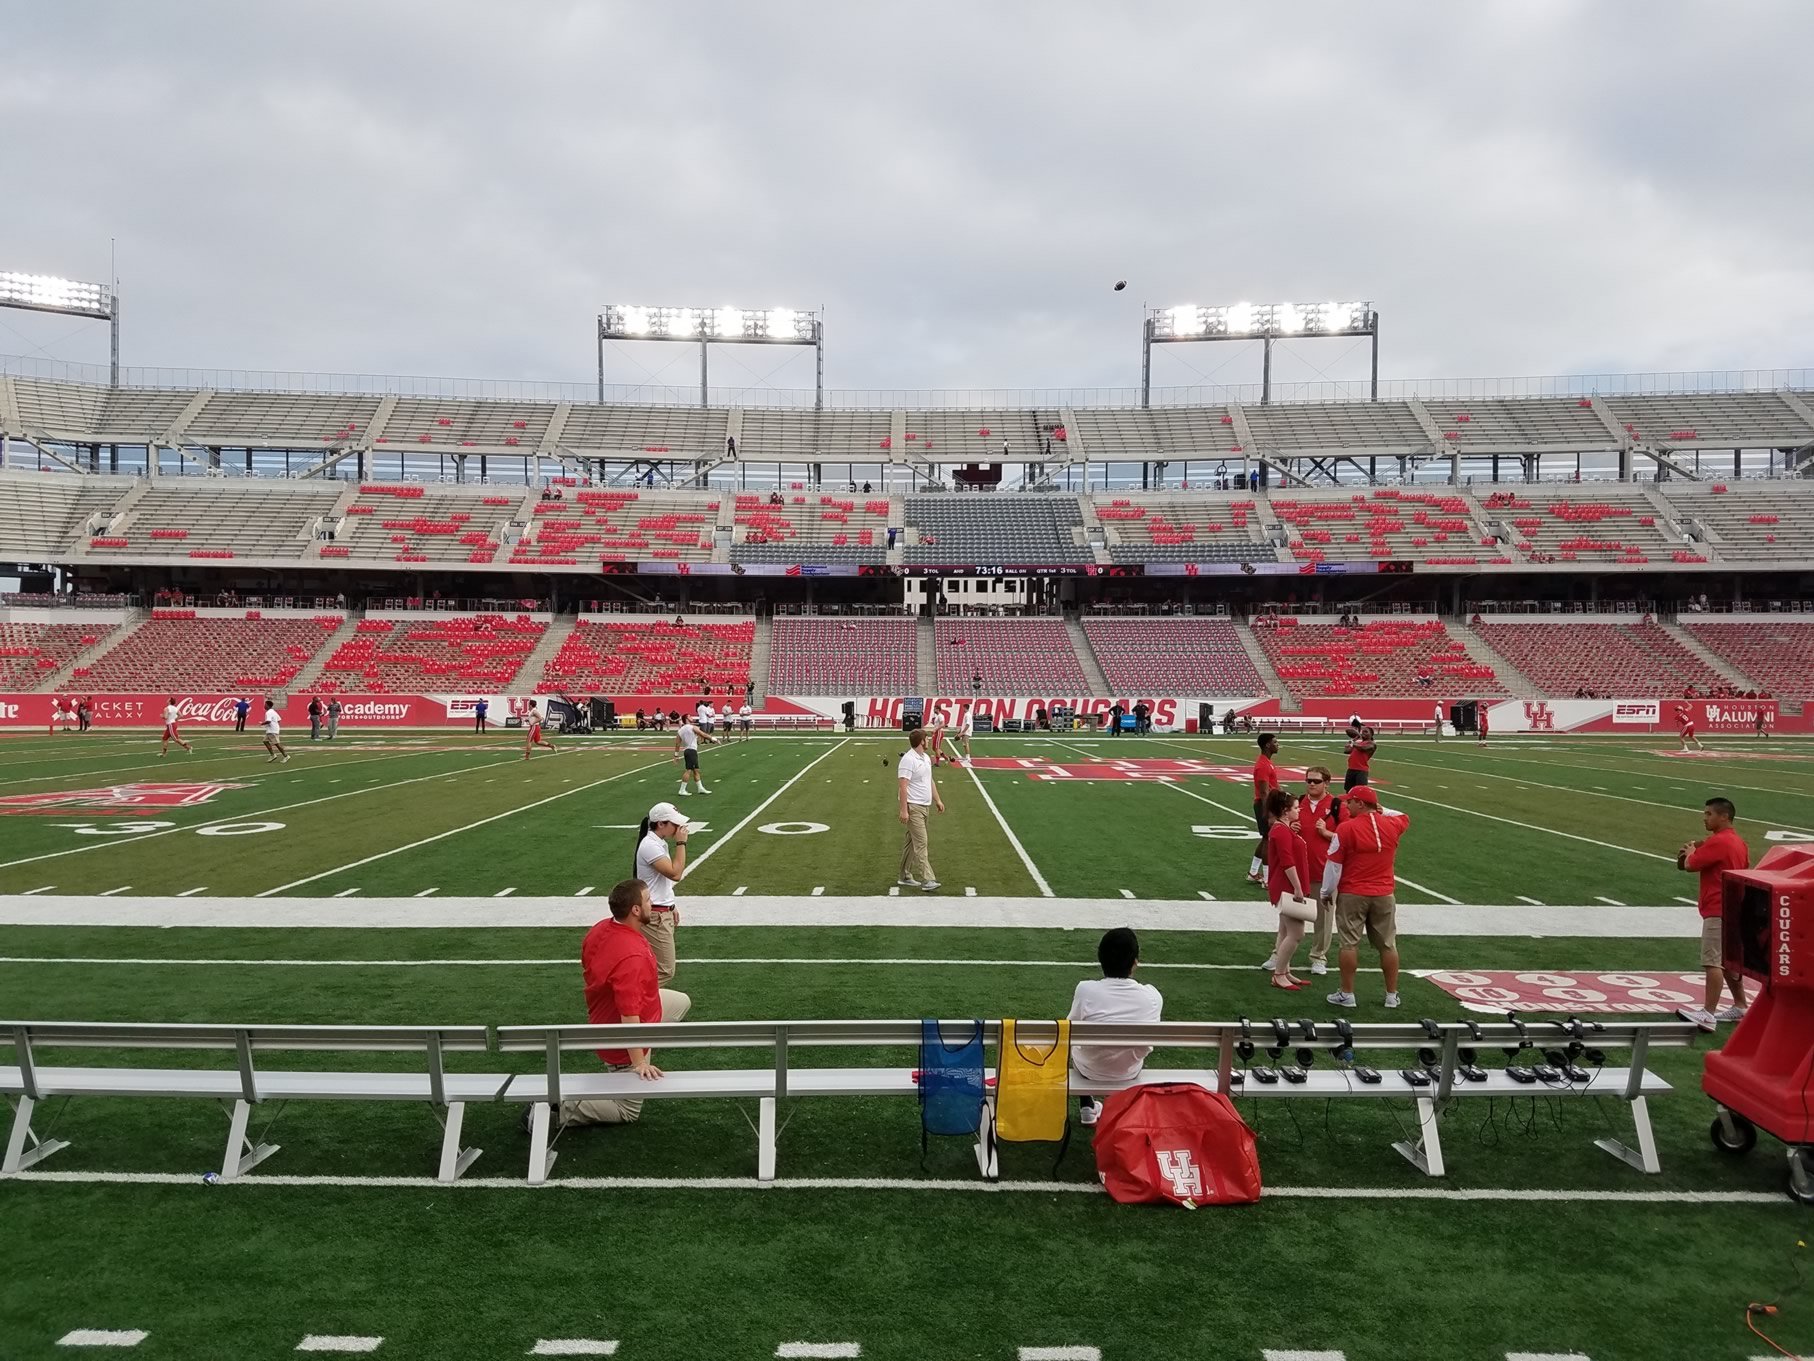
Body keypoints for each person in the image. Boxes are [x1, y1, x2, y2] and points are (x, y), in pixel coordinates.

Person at [558, 879, 693, 1129]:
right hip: (618, 1035)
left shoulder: (600, 929)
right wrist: (639, 1062)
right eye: (648, 901)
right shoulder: (632, 957)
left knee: (680, 1002)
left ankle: (646, 1040)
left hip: (607, 1015)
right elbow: (628, 1017)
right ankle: (558, 1109)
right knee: (627, 1110)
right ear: (636, 910)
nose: (653, 904)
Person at [1068, 927, 1163, 1127]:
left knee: (1074, 1046)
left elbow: (1069, 1030)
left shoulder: (1086, 990)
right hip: (1128, 1070)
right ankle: (1116, 1113)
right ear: (1135, 962)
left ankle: (1087, 1106)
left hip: (1089, 1068)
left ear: (1100, 959)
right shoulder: (1152, 997)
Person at [1323, 786, 1408, 1009]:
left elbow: (1334, 865)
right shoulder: (1391, 824)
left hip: (1353, 892)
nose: (1346, 805)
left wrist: (1326, 891)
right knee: (1388, 945)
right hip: (1384, 893)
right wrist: (1381, 810)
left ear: (1360, 803)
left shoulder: (1346, 828)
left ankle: (1347, 993)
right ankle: (1392, 995)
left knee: (1349, 944)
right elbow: (1402, 816)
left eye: (1350, 801)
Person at [1675, 797, 1750, 1031]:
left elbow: (1690, 865)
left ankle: (1708, 1013)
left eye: (1709, 814)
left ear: (1724, 816)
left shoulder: (1719, 842)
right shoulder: (1739, 842)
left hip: (1718, 908)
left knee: (1712, 961)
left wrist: (1690, 851)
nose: (1705, 818)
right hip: (1734, 908)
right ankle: (1740, 1005)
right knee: (1728, 962)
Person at [1260, 789, 1312, 991]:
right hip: (1286, 886)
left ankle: (1285, 970)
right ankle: (1279, 973)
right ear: (1285, 810)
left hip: (1286, 885)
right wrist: (1298, 887)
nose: (1299, 810)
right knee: (1297, 933)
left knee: (1284, 930)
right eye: (1296, 808)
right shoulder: (1281, 830)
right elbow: (1287, 862)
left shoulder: (1284, 828)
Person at [634, 802, 690, 987]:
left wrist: (671, 905)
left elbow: (661, 883)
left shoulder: (657, 843)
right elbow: (675, 874)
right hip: (656, 916)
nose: (679, 828)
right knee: (665, 970)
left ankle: (638, 1003)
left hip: (660, 911)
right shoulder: (650, 845)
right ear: (661, 824)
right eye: (674, 824)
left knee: (653, 966)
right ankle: (634, 1003)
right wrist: (681, 843)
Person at [1295, 766, 1339, 977]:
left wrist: (1325, 832)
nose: (1311, 784)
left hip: (1325, 872)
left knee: (1323, 919)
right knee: (1292, 917)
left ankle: (1319, 956)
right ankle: (1281, 953)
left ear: (1327, 783)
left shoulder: (1337, 806)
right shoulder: (1298, 803)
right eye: (1308, 780)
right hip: (1298, 871)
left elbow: (1346, 838)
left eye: (1316, 781)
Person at [896, 727, 944, 892]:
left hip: (924, 806)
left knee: (911, 843)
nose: (929, 740)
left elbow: (929, 780)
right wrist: (904, 810)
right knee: (921, 843)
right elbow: (903, 786)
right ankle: (928, 879)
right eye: (926, 738)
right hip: (913, 806)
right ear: (921, 741)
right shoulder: (908, 760)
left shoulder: (925, 758)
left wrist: (937, 799)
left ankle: (904, 876)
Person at [1247, 732, 1281, 884]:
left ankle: (1253, 872)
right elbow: (1263, 791)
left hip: (1266, 804)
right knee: (1268, 840)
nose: (1277, 744)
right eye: (1275, 741)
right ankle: (1267, 879)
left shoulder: (1266, 762)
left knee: (1265, 838)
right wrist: (1270, 812)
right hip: (1264, 805)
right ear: (1267, 745)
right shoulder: (1262, 765)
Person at [674, 712, 712, 796]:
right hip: (692, 751)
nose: (691, 717)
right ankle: (682, 790)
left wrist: (676, 755)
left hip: (687, 750)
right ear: (686, 719)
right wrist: (713, 738)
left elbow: (677, 743)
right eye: (689, 716)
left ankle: (700, 788)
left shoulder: (680, 730)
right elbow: (703, 734)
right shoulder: (692, 727)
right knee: (688, 770)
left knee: (696, 770)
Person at [1343, 725, 1377, 795]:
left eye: (1366, 732)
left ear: (1371, 734)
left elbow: (1364, 748)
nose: (1363, 733)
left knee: (1361, 791)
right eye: (1362, 732)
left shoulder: (1372, 743)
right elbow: (1346, 751)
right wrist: (1354, 739)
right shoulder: (1358, 744)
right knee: (1348, 790)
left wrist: (1353, 743)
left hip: (1361, 770)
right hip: (1351, 769)